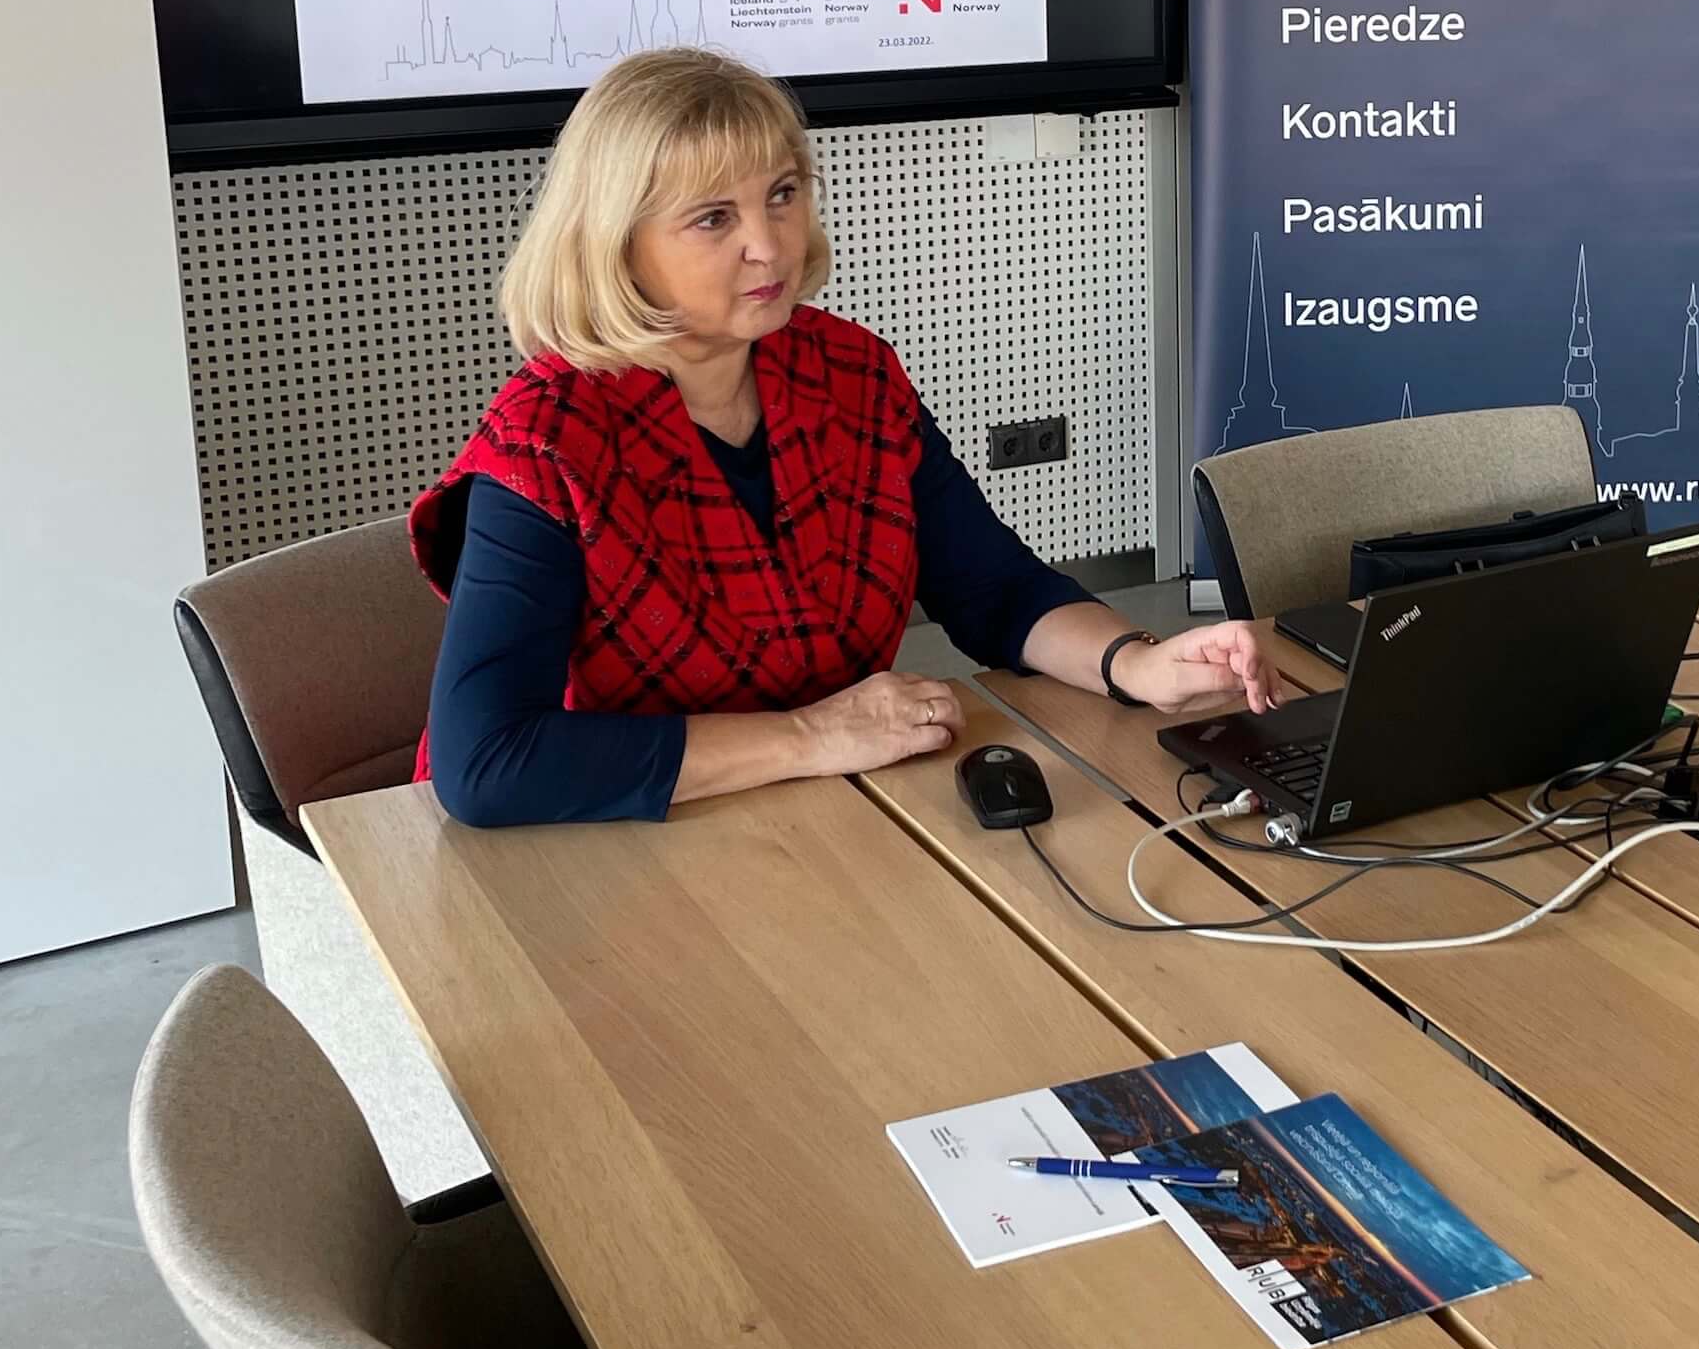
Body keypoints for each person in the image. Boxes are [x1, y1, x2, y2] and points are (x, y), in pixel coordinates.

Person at [410, 47, 1283, 825]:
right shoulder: (548, 437)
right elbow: (487, 764)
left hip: (831, 811)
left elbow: (994, 589)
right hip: (608, 843)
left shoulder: (849, 371)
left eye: (782, 194)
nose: (768, 245)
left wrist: (1137, 663)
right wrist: (808, 735)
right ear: (616, 245)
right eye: (713, 218)